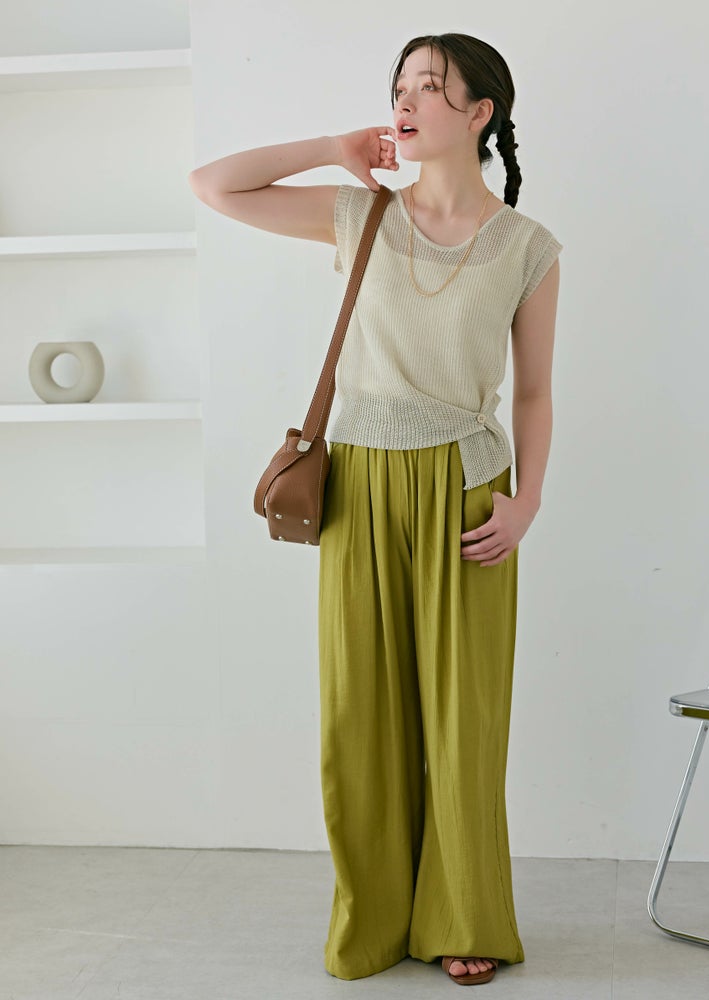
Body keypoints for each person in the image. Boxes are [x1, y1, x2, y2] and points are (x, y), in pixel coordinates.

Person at [189, 31, 562, 987]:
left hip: (469, 491)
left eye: (430, 87)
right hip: (357, 486)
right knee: (360, 713)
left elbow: (532, 392)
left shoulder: (527, 247)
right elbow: (213, 185)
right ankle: (376, 919)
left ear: (480, 114)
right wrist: (333, 146)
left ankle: (465, 916)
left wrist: (527, 501)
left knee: (463, 717)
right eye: (400, 86)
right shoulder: (360, 214)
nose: (407, 101)